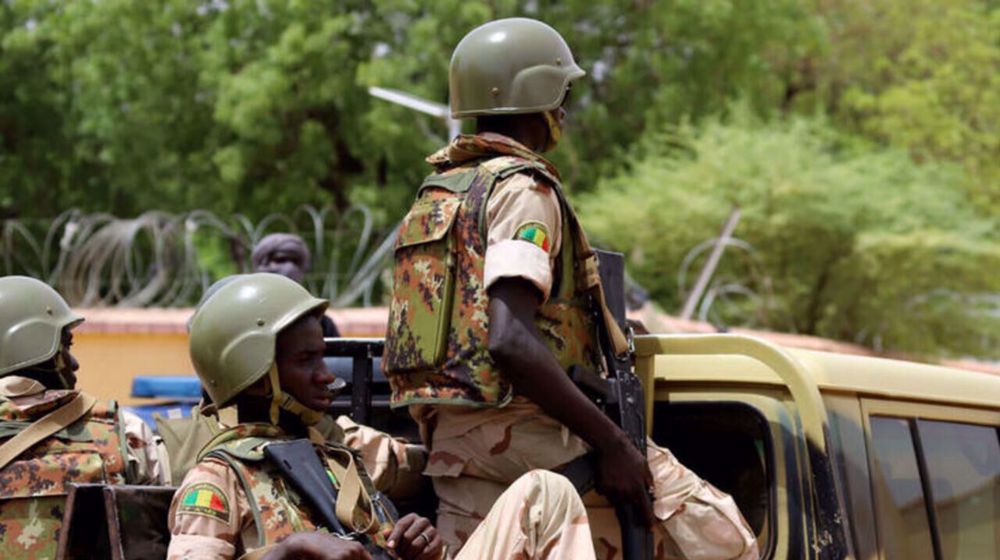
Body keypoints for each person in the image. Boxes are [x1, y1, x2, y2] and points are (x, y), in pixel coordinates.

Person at [383, 17, 759, 560]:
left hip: (453, 443)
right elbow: (509, 338)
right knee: (725, 539)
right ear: (533, 97)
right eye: (561, 94)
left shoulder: (437, 197)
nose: (563, 110)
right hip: (521, 429)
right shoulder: (523, 191)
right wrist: (612, 444)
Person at [169, 273, 596, 559]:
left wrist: (419, 547)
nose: (324, 375)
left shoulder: (334, 457)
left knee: (546, 491)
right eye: (306, 360)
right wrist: (290, 550)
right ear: (256, 373)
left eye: (322, 356)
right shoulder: (218, 478)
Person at [0, 276, 168, 559]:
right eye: (66, 345)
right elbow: (161, 541)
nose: (74, 362)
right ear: (34, 343)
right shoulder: (125, 432)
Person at [252, 233, 341, 337]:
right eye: (280, 259)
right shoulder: (246, 316)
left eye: (295, 262)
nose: (289, 267)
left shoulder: (320, 322)